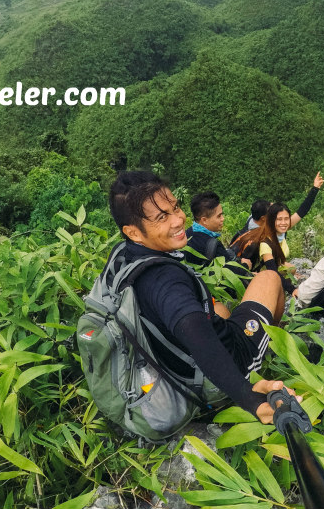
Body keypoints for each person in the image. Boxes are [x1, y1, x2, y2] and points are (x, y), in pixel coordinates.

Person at [107, 170, 296, 424]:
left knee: (219, 311)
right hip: (213, 375)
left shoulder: (124, 258)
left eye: (175, 207)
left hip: (175, 366)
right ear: (133, 232)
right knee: (269, 279)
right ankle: (265, 350)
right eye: (162, 217)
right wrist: (248, 397)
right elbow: (193, 329)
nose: (178, 220)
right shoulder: (165, 280)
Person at [230, 172, 324, 244]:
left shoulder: (253, 219)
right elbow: (302, 211)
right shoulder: (270, 233)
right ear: (264, 218)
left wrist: (315, 188)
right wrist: (315, 189)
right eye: (272, 211)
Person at [184, 191, 237, 265]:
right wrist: (245, 264)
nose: (223, 219)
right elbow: (232, 271)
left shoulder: (186, 235)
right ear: (204, 220)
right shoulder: (214, 247)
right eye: (219, 216)